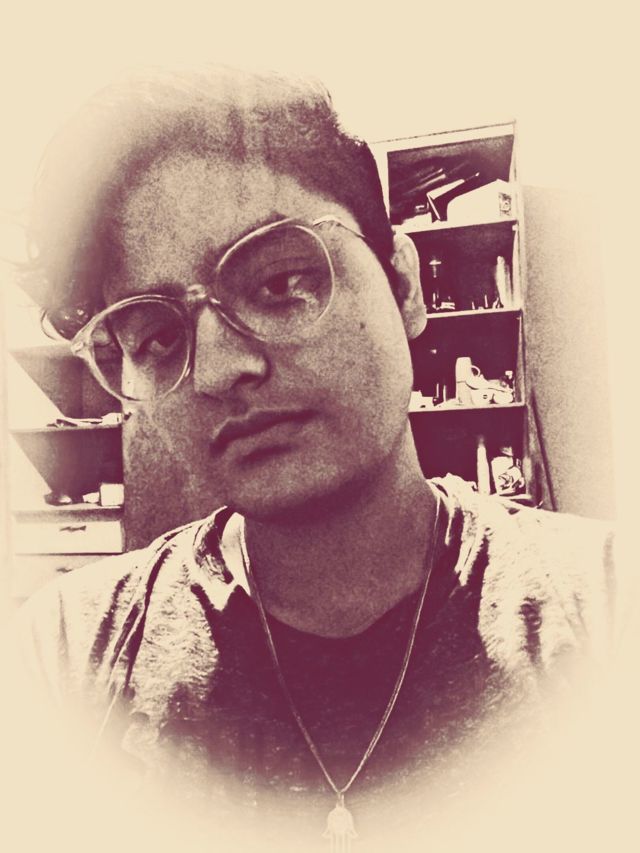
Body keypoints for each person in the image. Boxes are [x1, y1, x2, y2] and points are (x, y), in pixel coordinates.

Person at [6, 66, 625, 853]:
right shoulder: (65, 658)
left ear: (404, 285)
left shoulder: (607, 612)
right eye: (158, 338)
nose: (218, 369)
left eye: (281, 281)